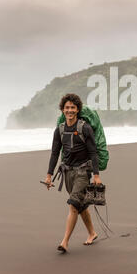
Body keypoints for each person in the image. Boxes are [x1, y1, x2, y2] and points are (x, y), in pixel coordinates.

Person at [45, 93, 102, 253]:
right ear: (62, 110)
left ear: (77, 110)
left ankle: (65, 242)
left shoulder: (85, 127)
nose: (69, 110)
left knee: (73, 205)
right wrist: (49, 175)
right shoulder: (59, 130)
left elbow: (93, 153)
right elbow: (55, 153)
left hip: (83, 172)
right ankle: (92, 233)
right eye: (67, 107)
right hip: (67, 172)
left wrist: (96, 175)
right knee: (81, 206)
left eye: (73, 107)